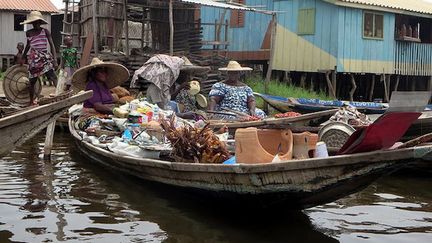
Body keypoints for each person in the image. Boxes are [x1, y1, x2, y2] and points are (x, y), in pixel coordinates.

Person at [21, 11, 58, 105]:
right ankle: (31, 101)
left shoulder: (45, 31)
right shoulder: (28, 33)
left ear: (40, 22)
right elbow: (28, 45)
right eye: (34, 22)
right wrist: (23, 56)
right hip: (34, 59)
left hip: (45, 57)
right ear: (32, 23)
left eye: (38, 22)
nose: (36, 24)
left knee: (53, 76)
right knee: (32, 81)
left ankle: (59, 96)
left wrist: (55, 60)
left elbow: (52, 45)